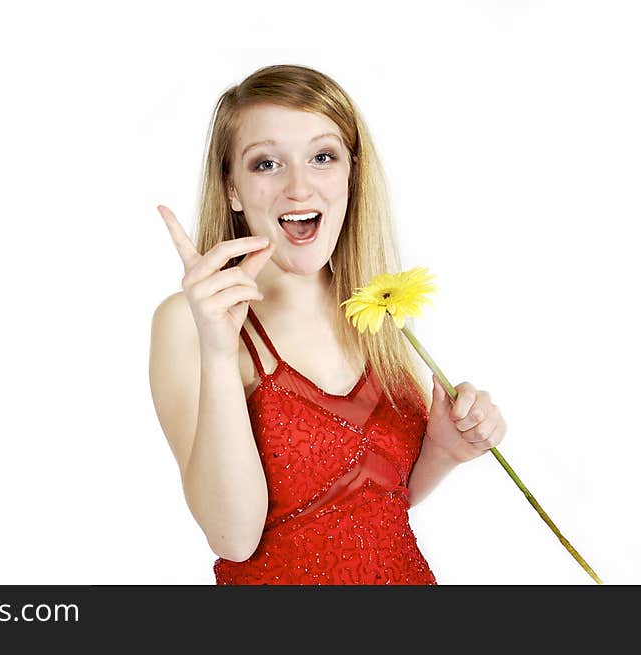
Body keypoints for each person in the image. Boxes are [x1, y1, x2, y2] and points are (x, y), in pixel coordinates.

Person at [148, 64, 507, 585]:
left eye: (322, 157)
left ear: (350, 175)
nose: (299, 187)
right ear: (232, 189)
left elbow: (378, 500)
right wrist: (220, 351)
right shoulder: (187, 323)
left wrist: (445, 449)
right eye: (266, 163)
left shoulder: (373, 309)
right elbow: (233, 537)